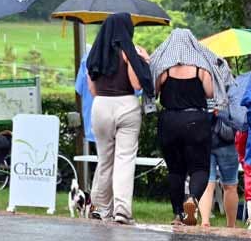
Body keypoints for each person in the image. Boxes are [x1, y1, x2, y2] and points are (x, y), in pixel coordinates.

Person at [85, 14, 153, 225]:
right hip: (125, 105)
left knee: (105, 159)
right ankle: (122, 210)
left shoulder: (94, 55)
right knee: (124, 159)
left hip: (101, 106)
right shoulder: (127, 51)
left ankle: (99, 207)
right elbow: (136, 85)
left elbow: (92, 89)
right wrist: (143, 61)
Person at [150, 29, 217, 226]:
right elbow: (211, 93)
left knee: (175, 170)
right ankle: (192, 199)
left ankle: (178, 214)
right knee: (200, 167)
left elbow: (153, 92)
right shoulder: (201, 68)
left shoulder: (165, 69)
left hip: (170, 121)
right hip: (196, 120)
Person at [199, 60, 239, 228]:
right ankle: (231, 226)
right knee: (230, 185)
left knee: (208, 183)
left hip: (205, 139)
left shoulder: (202, 83)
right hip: (227, 141)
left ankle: (205, 222)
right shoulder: (234, 86)